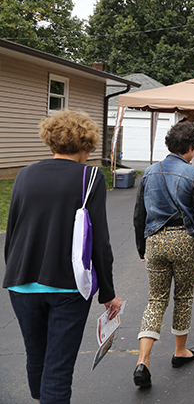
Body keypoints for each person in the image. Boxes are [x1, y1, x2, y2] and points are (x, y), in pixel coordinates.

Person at [3, 110, 122, 403]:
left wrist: (15, 275)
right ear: (87, 143)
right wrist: (108, 293)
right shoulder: (91, 177)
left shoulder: (24, 174)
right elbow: (100, 242)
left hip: (22, 282)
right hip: (68, 286)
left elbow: (13, 229)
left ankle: (41, 397)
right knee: (57, 370)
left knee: (36, 358)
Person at [133, 122, 194, 388]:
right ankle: (180, 351)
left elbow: (139, 215)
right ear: (191, 148)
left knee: (155, 299)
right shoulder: (193, 174)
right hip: (184, 241)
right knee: (183, 296)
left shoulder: (148, 173)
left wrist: (141, 246)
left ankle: (142, 361)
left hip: (154, 240)